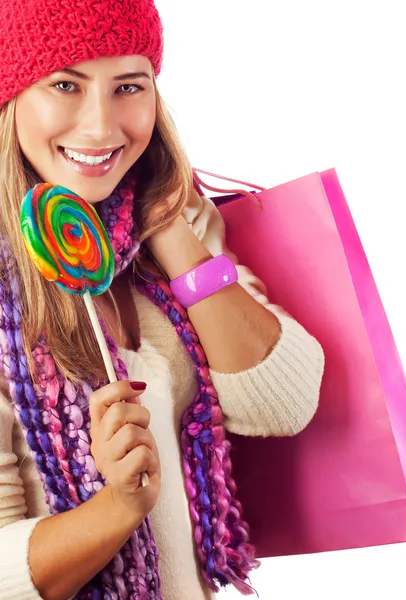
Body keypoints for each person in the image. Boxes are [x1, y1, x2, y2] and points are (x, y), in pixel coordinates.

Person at [0, 0, 325, 598]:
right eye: (65, 84)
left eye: (129, 86)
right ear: (12, 95)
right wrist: (118, 506)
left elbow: (287, 403)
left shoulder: (175, 219)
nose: (100, 125)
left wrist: (168, 226)